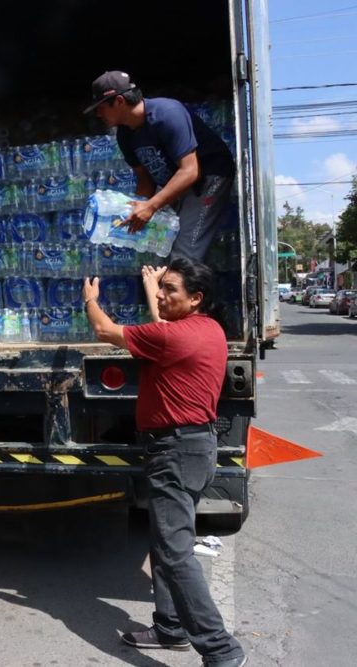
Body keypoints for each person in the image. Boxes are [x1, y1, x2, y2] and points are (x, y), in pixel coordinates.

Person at [82, 258, 247, 667]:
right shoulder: (207, 329)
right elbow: (164, 331)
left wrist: (90, 300)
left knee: (174, 553)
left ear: (196, 298)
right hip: (192, 448)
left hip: (174, 452)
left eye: (170, 289)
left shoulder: (174, 338)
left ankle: (221, 649)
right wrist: (154, 290)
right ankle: (170, 629)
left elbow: (104, 330)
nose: (160, 295)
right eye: (161, 288)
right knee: (166, 541)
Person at [84, 70, 236, 262]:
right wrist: (136, 211)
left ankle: (189, 288)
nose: (98, 114)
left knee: (184, 253)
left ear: (120, 101)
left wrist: (151, 206)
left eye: (101, 107)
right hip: (176, 183)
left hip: (208, 176)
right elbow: (144, 179)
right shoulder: (125, 134)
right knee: (160, 249)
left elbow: (191, 171)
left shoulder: (167, 114)